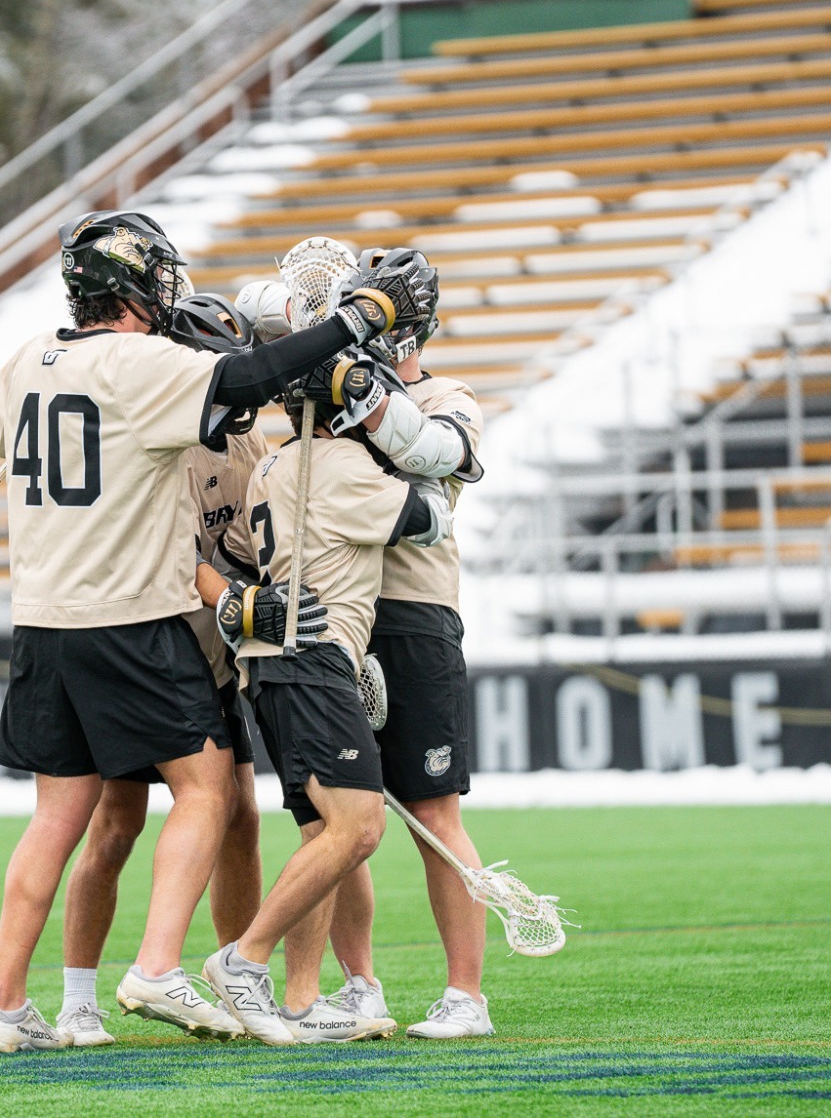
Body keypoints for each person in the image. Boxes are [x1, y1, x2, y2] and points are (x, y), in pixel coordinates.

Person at [0, 209, 426, 1053]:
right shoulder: (142, 361)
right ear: (133, 285)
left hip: (40, 622)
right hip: (128, 615)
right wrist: (357, 320)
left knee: (56, 819)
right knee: (209, 790)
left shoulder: (21, 362)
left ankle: (7, 1006)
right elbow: (250, 377)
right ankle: (156, 965)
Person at [51, 293, 326, 1048]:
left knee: (238, 812)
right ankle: (80, 999)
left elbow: (245, 546)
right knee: (117, 821)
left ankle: (236, 978)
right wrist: (241, 603)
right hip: (151, 645)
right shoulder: (160, 436)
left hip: (211, 656)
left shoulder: (241, 435)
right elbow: (177, 554)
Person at [202, 353, 453, 1046]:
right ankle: (243, 957)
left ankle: (305, 997)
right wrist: (412, 435)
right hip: (312, 658)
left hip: (274, 664)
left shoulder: (271, 466)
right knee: (359, 827)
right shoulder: (344, 467)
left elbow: (232, 554)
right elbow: (431, 516)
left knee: (322, 834)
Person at [315, 248, 499, 1040]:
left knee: (433, 809)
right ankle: (360, 985)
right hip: (341, 615)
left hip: (417, 613)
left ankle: (467, 996)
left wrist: (358, 386)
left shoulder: (447, 396)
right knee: (335, 822)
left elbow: (435, 454)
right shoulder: (321, 390)